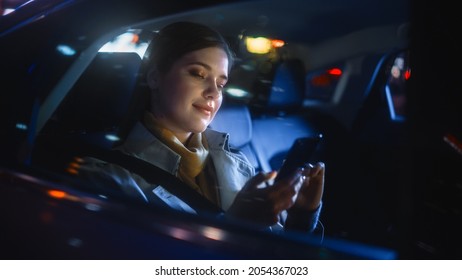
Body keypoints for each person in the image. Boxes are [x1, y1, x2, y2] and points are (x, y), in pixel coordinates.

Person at [79, 21, 325, 233]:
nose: (213, 93)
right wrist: (235, 226)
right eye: (198, 74)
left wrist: (301, 217)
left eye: (221, 83)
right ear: (155, 77)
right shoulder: (107, 178)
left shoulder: (238, 162)